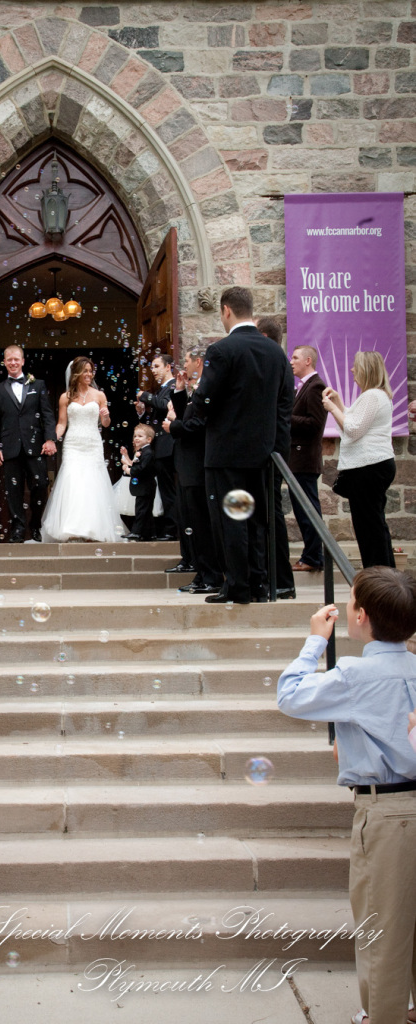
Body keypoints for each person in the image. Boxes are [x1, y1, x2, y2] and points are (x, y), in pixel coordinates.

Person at [278, 567, 416, 1024]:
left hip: (388, 812)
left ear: (360, 616)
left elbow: (291, 696)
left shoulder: (356, 674)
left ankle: (383, 1017)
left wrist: (315, 640)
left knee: (384, 926)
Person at [191, 287, 294, 604]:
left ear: (225, 311)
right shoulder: (276, 352)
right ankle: (259, 584)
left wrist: (198, 400)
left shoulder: (222, 350)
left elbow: (203, 401)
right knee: (258, 520)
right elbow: (284, 403)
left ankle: (237, 586)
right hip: (263, 453)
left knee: (230, 520)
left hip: (226, 453)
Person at [323, 350, 395, 569]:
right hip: (371, 467)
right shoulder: (373, 396)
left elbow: (353, 429)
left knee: (369, 527)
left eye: (356, 366)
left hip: (369, 467)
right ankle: (383, 575)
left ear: (367, 370)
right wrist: (340, 403)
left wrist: (332, 408)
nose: (352, 369)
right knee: (373, 524)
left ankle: (377, 576)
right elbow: (354, 421)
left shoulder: (373, 395)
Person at [41, 356, 123, 543]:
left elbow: (105, 424)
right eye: (85, 371)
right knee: (73, 481)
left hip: (93, 443)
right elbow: (62, 423)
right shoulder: (66, 397)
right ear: (76, 373)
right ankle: (72, 527)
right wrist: (53, 439)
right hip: (73, 444)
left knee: (92, 482)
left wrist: (106, 415)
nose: (88, 374)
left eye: (90, 370)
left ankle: (93, 528)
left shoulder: (100, 395)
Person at [164, 348, 222, 595]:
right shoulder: (195, 387)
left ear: (198, 362)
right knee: (191, 522)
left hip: (198, 465)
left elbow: (197, 424)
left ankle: (211, 576)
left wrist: (173, 427)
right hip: (186, 465)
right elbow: (187, 414)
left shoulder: (207, 387)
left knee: (200, 523)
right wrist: (179, 391)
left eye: (186, 361)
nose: (183, 365)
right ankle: (201, 573)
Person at [0, 345, 57, 543]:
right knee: (13, 491)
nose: (13, 362)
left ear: (23, 361)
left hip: (35, 446)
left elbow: (47, 414)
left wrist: (50, 439)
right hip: (9, 448)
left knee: (40, 484)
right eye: (9, 359)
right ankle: (17, 528)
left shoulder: (38, 385)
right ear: (4, 362)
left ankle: (36, 525)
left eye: (16, 359)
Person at [255, 316, 296, 601]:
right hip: (270, 446)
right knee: (267, 513)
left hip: (272, 450)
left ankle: (281, 579)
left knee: (272, 513)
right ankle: (273, 577)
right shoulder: (276, 361)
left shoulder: (276, 362)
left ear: (265, 338)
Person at [288, 344, 327, 573]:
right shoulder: (303, 387)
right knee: (303, 510)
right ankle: (311, 554)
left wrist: (286, 417)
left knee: (308, 510)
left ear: (308, 361)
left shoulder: (315, 386)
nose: (291, 361)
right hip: (297, 458)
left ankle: (313, 556)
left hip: (305, 458)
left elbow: (314, 424)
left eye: (295, 357)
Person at [135, 353, 177, 540]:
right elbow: (155, 419)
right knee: (162, 489)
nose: (153, 370)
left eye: (157, 366)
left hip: (168, 445)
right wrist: (142, 413)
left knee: (169, 490)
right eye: (152, 367)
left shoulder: (174, 386)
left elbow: (165, 406)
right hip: (159, 445)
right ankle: (162, 528)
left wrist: (144, 396)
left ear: (168, 367)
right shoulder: (161, 389)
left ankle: (171, 529)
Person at [121, 424, 156, 540]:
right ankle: (148, 533)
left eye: (140, 436)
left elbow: (142, 468)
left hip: (145, 487)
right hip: (143, 487)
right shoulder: (141, 452)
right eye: (135, 436)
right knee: (145, 511)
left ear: (149, 439)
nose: (136, 438)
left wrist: (129, 470)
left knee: (141, 511)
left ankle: (136, 532)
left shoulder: (147, 452)